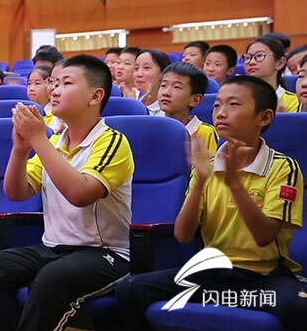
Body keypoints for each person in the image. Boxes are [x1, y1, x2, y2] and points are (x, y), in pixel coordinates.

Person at [115, 76, 306, 331]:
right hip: (212, 274)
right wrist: (201, 182)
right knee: (130, 289)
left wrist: (235, 184)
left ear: (264, 117)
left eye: (234, 105)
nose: (221, 113)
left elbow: (264, 236)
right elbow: (182, 235)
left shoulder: (283, 167)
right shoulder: (207, 165)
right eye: (217, 106)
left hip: (264, 278)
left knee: (298, 307)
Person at [0, 55, 134, 331]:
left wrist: (39, 141)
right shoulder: (55, 142)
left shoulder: (112, 141)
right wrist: (20, 149)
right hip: (53, 248)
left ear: (95, 96)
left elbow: (80, 194)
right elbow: (17, 193)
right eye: (53, 83)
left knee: (52, 278)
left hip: (106, 255)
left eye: (66, 83)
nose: (54, 89)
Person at [158, 62, 219, 155]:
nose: (166, 92)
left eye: (177, 87)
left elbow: (208, 167)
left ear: (195, 99)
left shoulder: (206, 133)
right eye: (163, 85)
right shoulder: (153, 127)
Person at [243, 37, 302, 113]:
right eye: (248, 57)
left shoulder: (295, 101)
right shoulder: (239, 100)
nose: (251, 62)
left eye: (259, 56)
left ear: (280, 63)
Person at [133, 49, 172, 115]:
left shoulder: (168, 109)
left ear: (163, 72)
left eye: (146, 68)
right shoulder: (133, 101)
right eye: (136, 68)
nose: (139, 74)